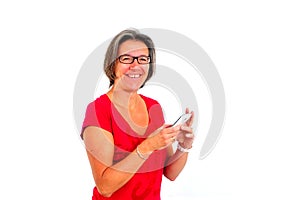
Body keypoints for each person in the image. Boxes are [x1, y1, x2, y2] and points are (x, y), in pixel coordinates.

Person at [81, 28, 195, 200]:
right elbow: (105, 187)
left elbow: (170, 173)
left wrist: (184, 146)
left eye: (143, 59)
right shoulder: (98, 110)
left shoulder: (153, 107)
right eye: (127, 58)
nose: (136, 66)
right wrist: (147, 146)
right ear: (113, 64)